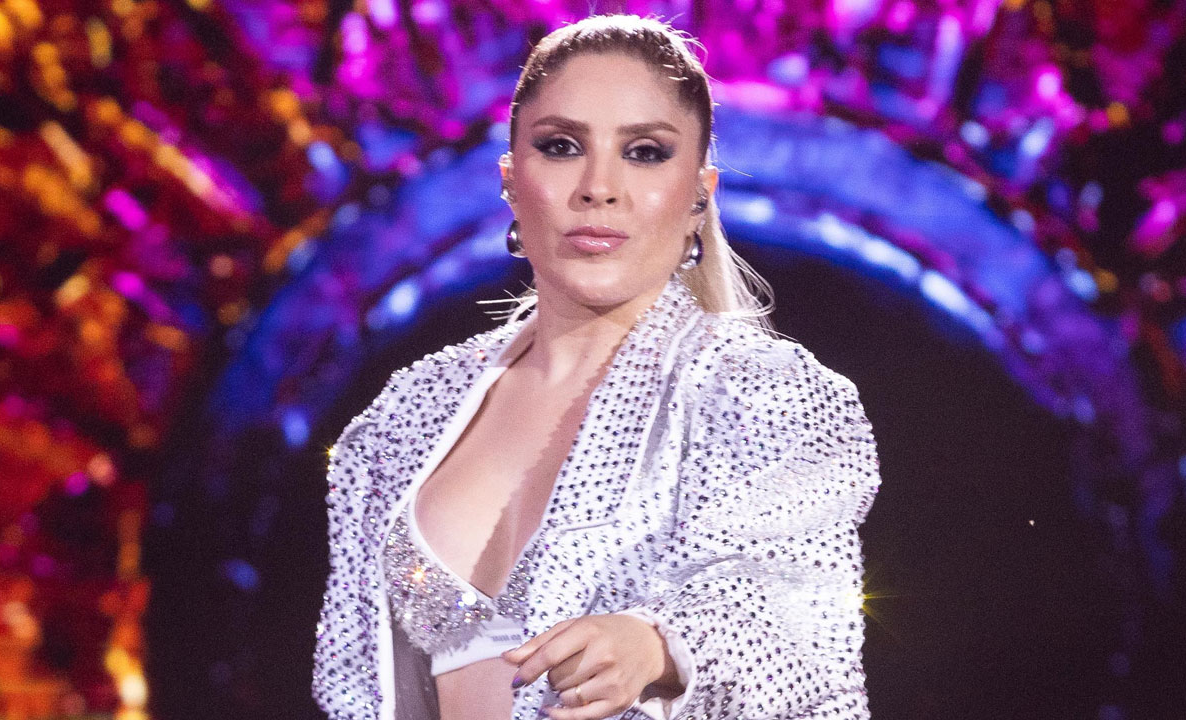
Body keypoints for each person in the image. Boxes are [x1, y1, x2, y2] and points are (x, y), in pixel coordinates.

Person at [312, 14, 881, 720]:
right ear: (511, 179)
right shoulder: (403, 418)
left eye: (644, 152)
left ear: (699, 193)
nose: (599, 187)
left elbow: (797, 623)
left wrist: (661, 647)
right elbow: (352, 679)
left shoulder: (762, 394)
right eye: (561, 146)